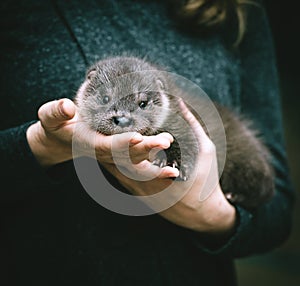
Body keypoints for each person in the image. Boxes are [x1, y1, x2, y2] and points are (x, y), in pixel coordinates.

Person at [0, 0, 294, 285]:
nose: (120, 117)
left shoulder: (239, 10)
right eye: (105, 100)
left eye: (139, 105)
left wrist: (211, 213)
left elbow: (276, 211)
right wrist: (42, 145)